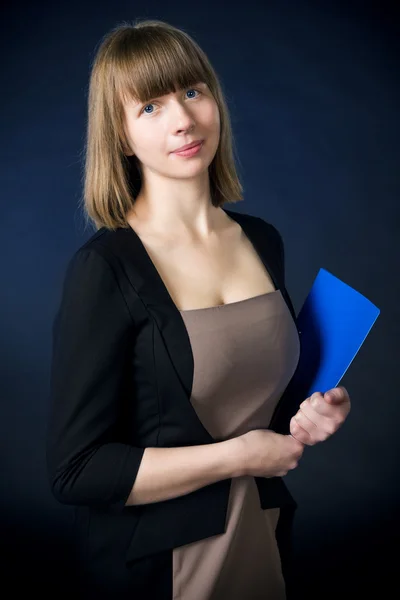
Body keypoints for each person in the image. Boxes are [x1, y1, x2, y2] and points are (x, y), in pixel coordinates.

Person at [45, 18, 351, 600]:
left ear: (215, 100)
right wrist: (235, 457)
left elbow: (263, 407)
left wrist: (314, 412)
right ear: (120, 136)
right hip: (163, 567)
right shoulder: (105, 269)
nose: (183, 119)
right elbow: (77, 471)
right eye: (150, 107)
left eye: (192, 92)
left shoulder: (262, 240)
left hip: (261, 537)